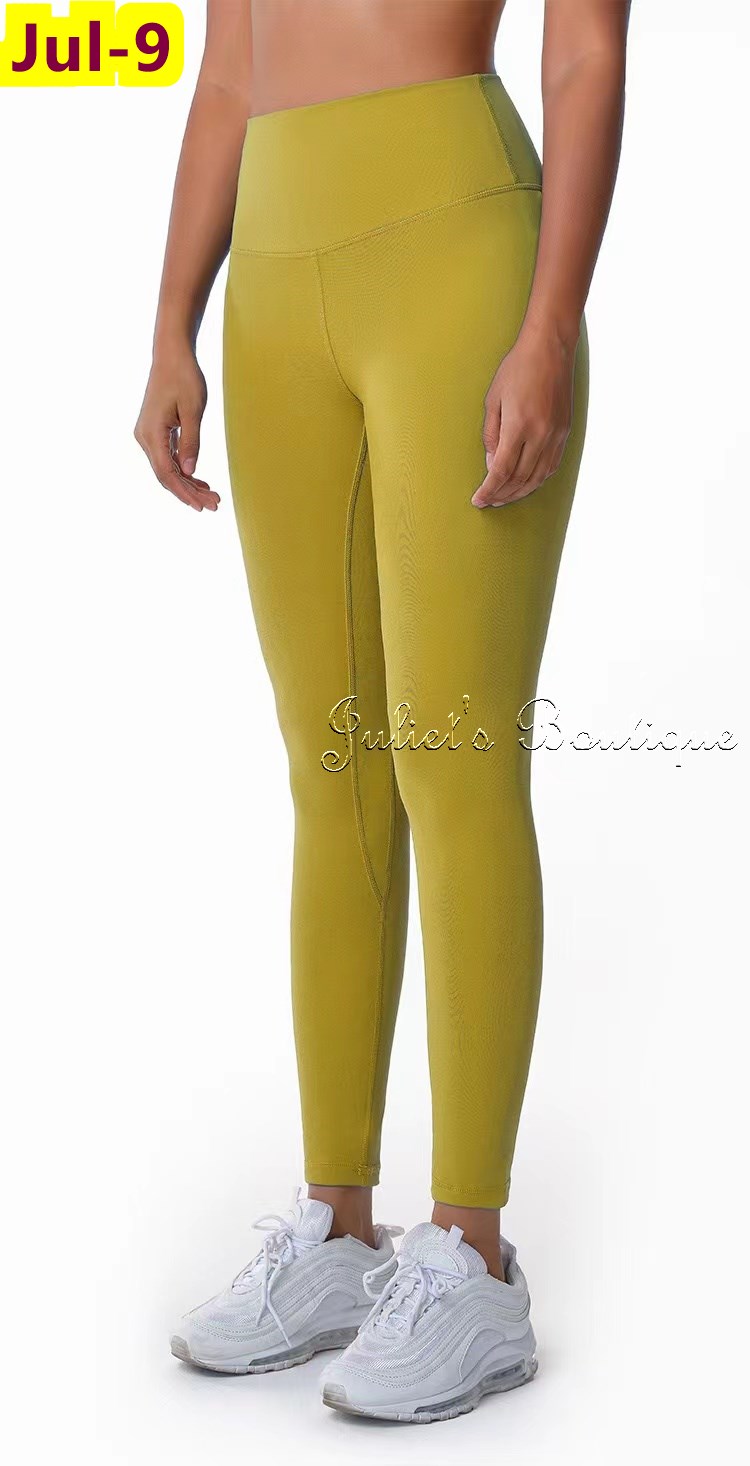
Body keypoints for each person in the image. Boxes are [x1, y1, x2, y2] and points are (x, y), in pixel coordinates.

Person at [135, 0, 629, 1424]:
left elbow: (584, 50)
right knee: (331, 772)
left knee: (453, 762)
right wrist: (170, 325)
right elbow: (228, 71)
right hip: (274, 277)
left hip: (453, 252)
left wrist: (549, 323)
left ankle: (471, 1256)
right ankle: (337, 1231)